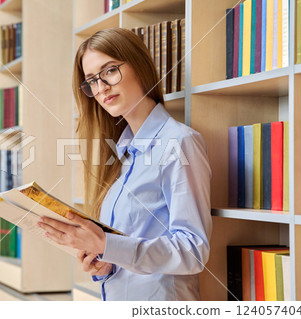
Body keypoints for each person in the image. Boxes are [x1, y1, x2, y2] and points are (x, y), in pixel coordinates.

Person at [37, 27, 212, 301]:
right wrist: (105, 263)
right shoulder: (121, 154)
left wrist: (106, 244)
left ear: (139, 66)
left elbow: (192, 251)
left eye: (109, 71)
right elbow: (130, 248)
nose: (101, 87)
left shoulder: (178, 142)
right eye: (92, 81)